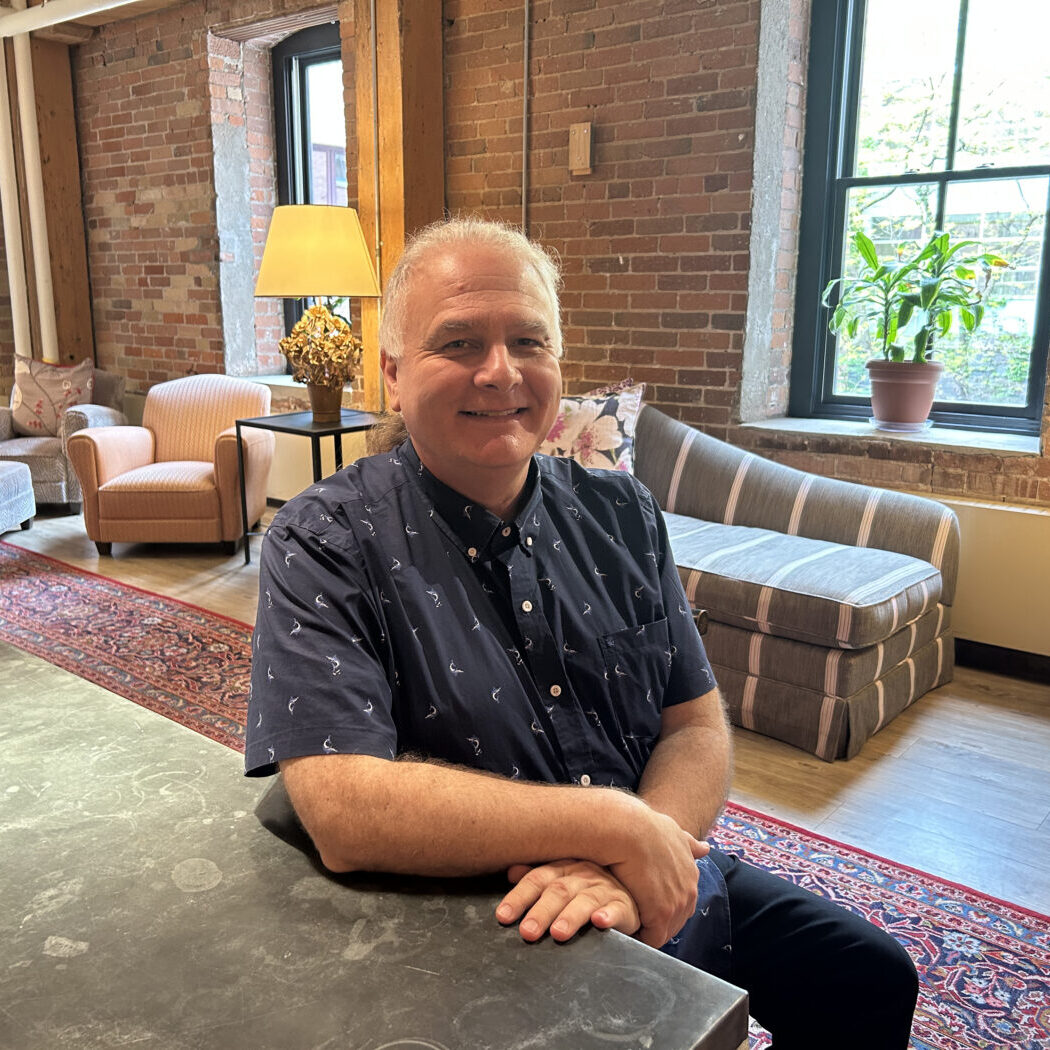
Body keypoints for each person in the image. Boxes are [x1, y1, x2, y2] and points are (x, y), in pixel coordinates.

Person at [245, 217, 918, 1047]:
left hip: (655, 860)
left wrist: (644, 857)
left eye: (529, 340)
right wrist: (611, 828)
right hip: (490, 910)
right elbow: (343, 809)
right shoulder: (322, 540)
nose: (501, 372)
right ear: (391, 372)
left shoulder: (622, 511)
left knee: (872, 977)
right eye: (457, 343)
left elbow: (695, 724)